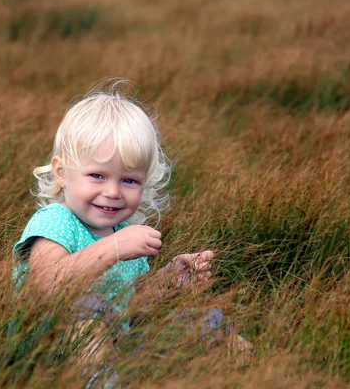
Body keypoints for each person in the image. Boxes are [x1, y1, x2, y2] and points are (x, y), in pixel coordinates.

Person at [12, 79, 249, 374]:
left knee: (207, 321)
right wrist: (114, 248)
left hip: (117, 343)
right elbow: (47, 286)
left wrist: (167, 280)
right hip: (49, 350)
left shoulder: (122, 230)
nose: (113, 191)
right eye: (97, 176)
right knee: (87, 321)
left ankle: (251, 370)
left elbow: (131, 306)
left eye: (128, 180)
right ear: (62, 173)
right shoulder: (55, 222)